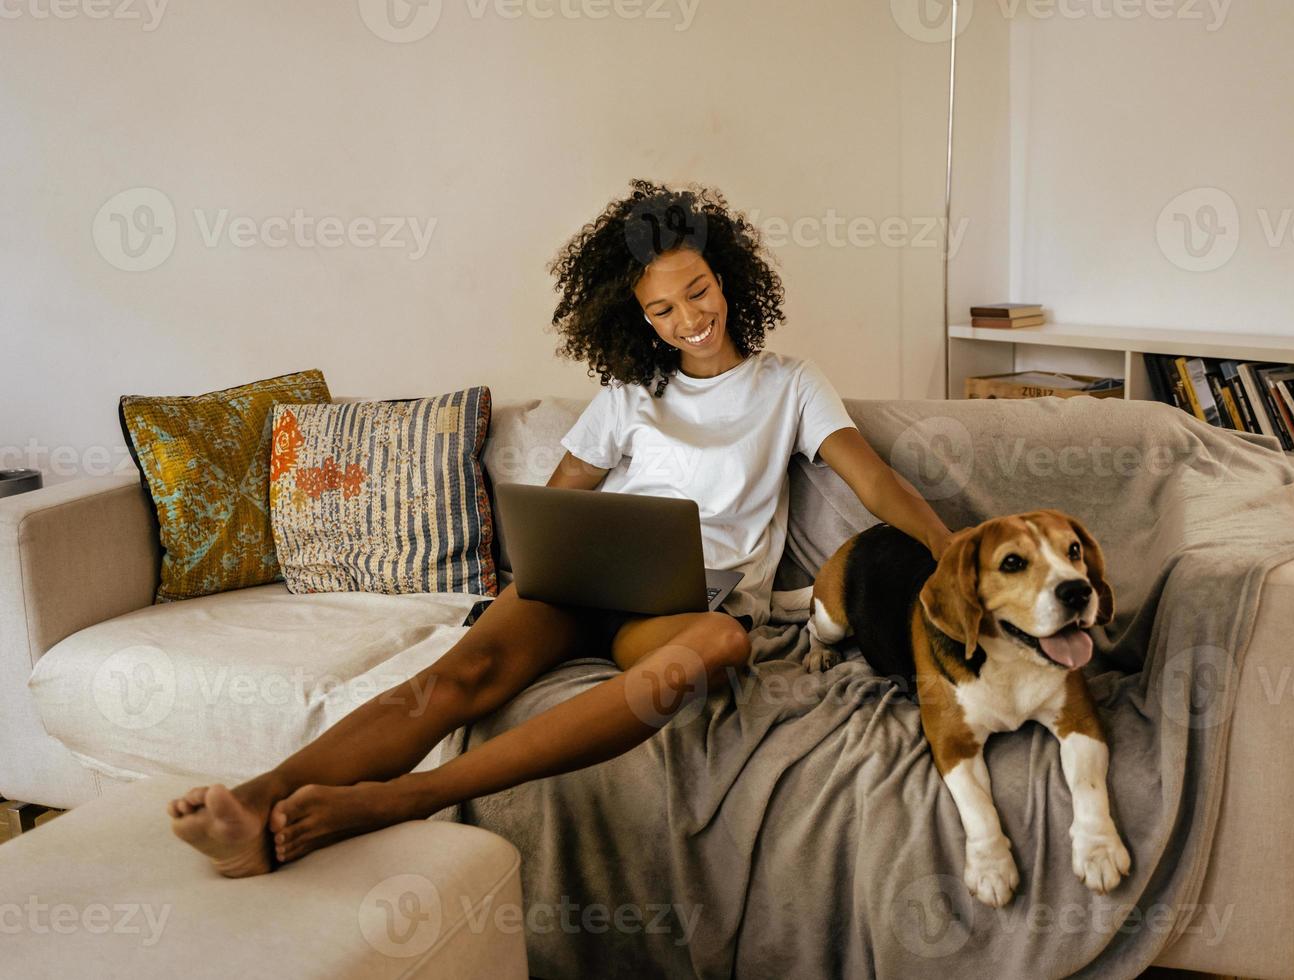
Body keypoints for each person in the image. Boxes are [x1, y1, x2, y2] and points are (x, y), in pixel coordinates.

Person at [166, 179, 959, 877]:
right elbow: (561, 500)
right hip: (585, 584)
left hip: (690, 603)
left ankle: (412, 797)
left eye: (699, 290)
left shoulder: (790, 385)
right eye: (663, 307)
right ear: (639, 319)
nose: (690, 317)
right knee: (455, 680)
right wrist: (535, 564)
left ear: (727, 278)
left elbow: (875, 480)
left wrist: (947, 546)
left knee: (720, 647)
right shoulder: (627, 394)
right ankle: (254, 803)